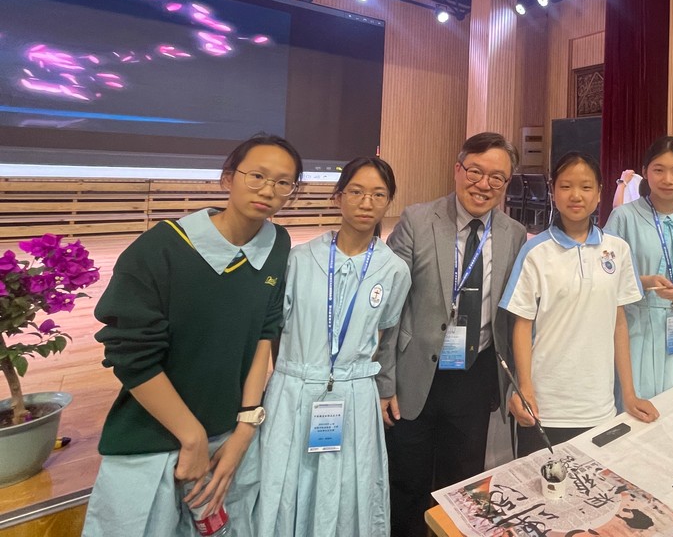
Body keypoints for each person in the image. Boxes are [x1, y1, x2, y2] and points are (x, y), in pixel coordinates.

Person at [84, 133, 302, 537]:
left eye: (283, 182)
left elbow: (264, 334)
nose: (268, 190)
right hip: (151, 441)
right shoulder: (161, 248)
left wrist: (245, 429)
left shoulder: (277, 245)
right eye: (257, 175)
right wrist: (192, 436)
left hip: (229, 442)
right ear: (227, 178)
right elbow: (131, 354)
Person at [379, 132, 527, 537]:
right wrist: (385, 380)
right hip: (415, 372)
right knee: (406, 480)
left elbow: (512, 313)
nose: (484, 184)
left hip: (474, 375)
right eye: (475, 172)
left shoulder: (514, 233)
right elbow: (390, 308)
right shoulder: (417, 220)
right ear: (457, 170)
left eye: (497, 178)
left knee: (461, 481)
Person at [257, 157, 411, 536]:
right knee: (285, 488)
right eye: (356, 192)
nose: (366, 203)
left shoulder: (394, 270)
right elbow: (274, 331)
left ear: (389, 202)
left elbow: (385, 330)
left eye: (378, 195)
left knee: (346, 495)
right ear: (338, 197)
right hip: (293, 392)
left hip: (354, 396)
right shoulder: (299, 259)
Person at [499, 152, 659, 457]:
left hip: (598, 406)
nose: (576, 195)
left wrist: (629, 394)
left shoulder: (617, 250)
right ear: (553, 192)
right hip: (544, 407)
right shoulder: (535, 252)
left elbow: (619, 324)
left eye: (586, 187)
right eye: (566, 186)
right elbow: (522, 325)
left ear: (599, 193)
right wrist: (526, 389)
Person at [605, 136, 673, 399]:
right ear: (645, 172)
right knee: (633, 404)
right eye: (658, 170)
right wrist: (645, 282)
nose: (667, 179)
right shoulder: (624, 217)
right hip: (633, 327)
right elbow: (604, 277)